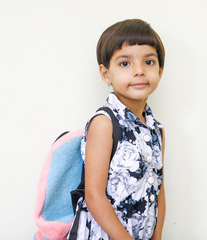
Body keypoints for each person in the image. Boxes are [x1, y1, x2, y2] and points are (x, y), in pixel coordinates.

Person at [69, 19, 166, 240]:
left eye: (149, 62)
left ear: (160, 70)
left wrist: (157, 236)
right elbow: (94, 196)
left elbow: (159, 190)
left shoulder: (157, 130)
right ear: (106, 74)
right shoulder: (105, 123)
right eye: (125, 63)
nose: (139, 71)